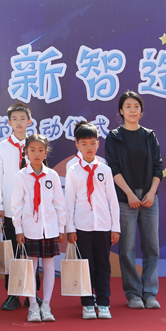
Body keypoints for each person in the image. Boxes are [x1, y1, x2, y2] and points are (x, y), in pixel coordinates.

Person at [105, 91, 165, 310]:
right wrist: (130, 194)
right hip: (125, 199)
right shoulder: (114, 137)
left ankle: (149, 293)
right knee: (127, 249)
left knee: (152, 248)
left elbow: (158, 166)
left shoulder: (149, 136)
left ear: (141, 110)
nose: (132, 110)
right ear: (121, 111)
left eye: (136, 106)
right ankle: (133, 294)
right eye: (128, 106)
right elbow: (113, 168)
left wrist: (151, 192)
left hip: (149, 198)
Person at [65, 122, 120, 320]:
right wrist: (70, 228)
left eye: (92, 143)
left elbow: (112, 199)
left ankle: (103, 302)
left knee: (103, 264)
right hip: (82, 227)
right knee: (86, 265)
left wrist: (115, 227)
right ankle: (87, 302)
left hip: (103, 226)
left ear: (98, 144)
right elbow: (69, 201)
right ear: (77, 145)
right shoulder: (73, 170)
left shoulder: (104, 169)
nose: (89, 147)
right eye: (84, 144)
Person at [11, 134, 65, 323]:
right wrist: (18, 230)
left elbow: (59, 203)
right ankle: (33, 305)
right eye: (32, 150)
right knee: (31, 267)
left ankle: (46, 305)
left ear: (46, 152)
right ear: (26, 152)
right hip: (29, 229)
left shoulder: (52, 175)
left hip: (49, 228)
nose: (36, 154)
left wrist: (61, 227)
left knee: (49, 265)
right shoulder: (21, 176)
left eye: (41, 150)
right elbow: (16, 205)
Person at [0, 102, 40, 310]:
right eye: (15, 119)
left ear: (29, 121)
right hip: (11, 210)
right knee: (12, 252)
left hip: (33, 210)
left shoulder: (36, 145)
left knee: (32, 254)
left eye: (23, 118)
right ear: (9, 122)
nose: (19, 122)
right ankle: (12, 294)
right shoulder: (2, 147)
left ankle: (33, 294)